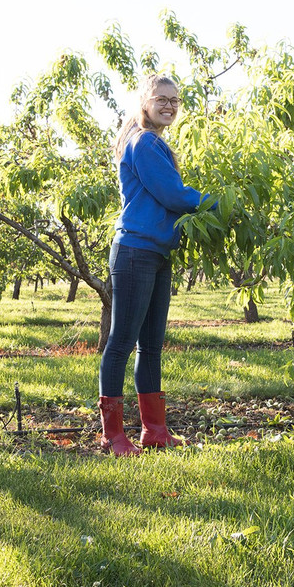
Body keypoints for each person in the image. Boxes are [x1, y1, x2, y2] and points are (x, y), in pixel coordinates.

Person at [97, 74, 213, 456]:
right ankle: (113, 436)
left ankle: (154, 430)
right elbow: (172, 195)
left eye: (175, 100)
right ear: (145, 101)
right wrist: (218, 202)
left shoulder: (153, 142)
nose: (169, 105)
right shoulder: (144, 142)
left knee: (150, 346)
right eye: (162, 99)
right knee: (121, 343)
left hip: (156, 252)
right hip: (135, 250)